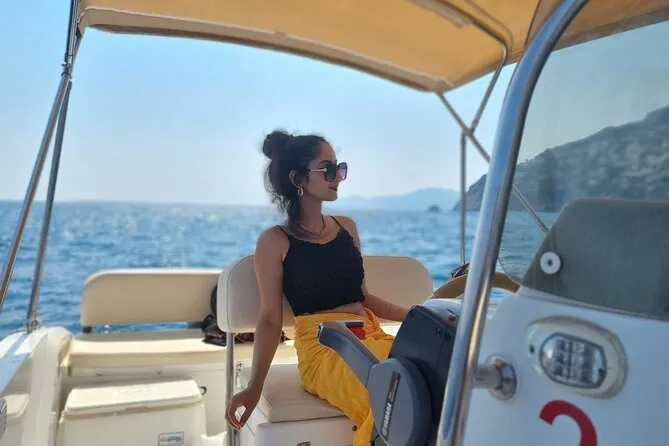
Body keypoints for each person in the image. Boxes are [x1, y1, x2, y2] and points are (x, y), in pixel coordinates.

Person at [225, 130, 410, 445]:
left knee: (427, 372)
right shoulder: (274, 241)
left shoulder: (346, 228)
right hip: (323, 347)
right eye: (328, 169)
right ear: (298, 178)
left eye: (340, 168)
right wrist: (254, 387)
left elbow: (364, 298)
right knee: (396, 390)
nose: (338, 176)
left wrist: (421, 318)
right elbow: (270, 320)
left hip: (370, 334)